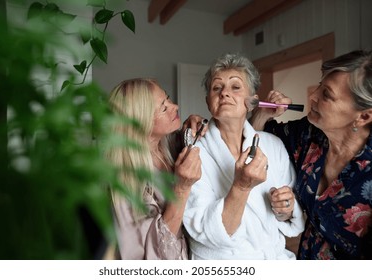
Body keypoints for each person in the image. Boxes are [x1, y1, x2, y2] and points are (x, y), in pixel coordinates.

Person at [250, 49, 372, 259]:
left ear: (363, 116)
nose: (313, 96)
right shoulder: (307, 134)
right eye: (319, 85)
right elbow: (256, 139)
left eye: (327, 94)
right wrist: (263, 113)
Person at [182, 53, 305, 259]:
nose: (224, 93)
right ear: (208, 101)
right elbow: (205, 229)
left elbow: (286, 215)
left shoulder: (273, 146)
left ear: (253, 102)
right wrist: (241, 186)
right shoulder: (193, 153)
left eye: (235, 87)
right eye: (216, 88)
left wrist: (285, 208)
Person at [105, 78, 204, 259]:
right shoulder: (125, 180)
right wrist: (181, 189)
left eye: (167, 98)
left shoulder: (171, 147)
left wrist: (191, 127)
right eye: (164, 108)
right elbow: (147, 256)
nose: (175, 106)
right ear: (141, 123)